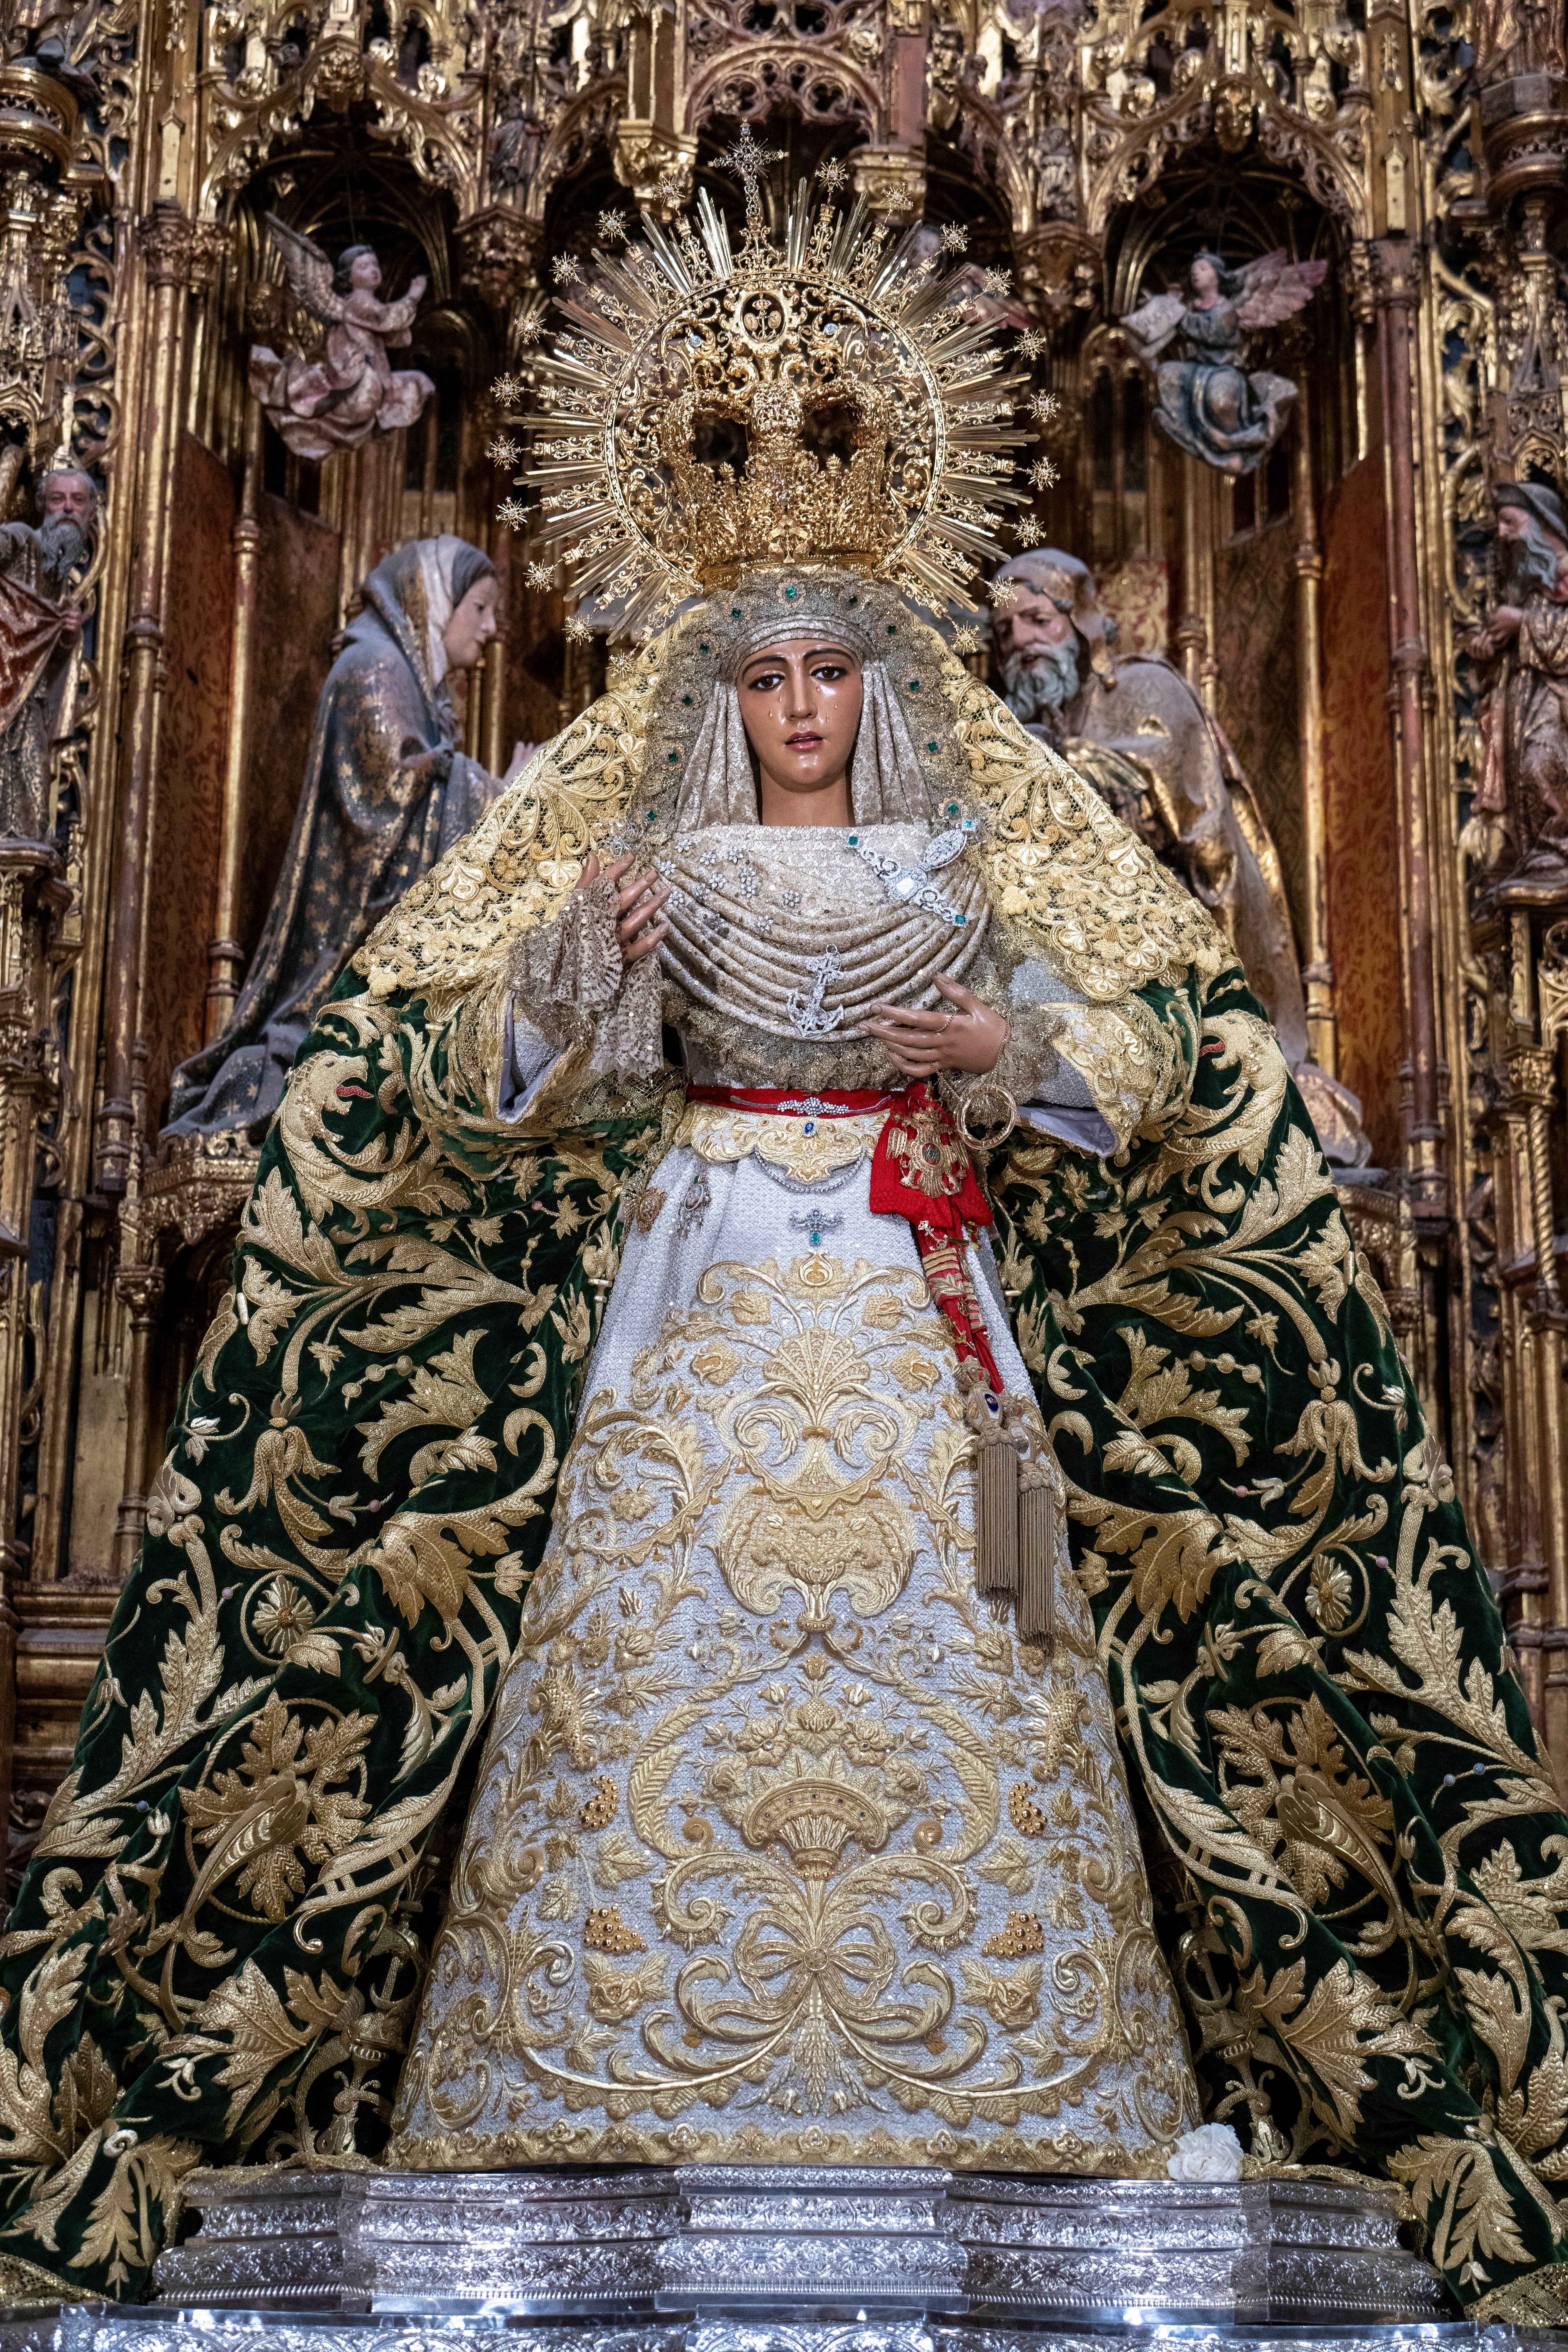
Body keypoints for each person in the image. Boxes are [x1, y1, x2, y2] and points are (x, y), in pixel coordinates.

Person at [2, 167, 1568, 2329]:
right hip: (709, 1270)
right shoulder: (610, 825)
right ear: (720, 684)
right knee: (660, 1611)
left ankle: (1016, 2057)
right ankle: (602, 2050)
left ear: (878, 675)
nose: (808, 703)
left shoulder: (980, 826)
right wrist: (582, 969)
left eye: (838, 667)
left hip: (924, 1289)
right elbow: (446, 1069)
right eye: (774, 673)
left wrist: (1015, 1044)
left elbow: (1164, 1025)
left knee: (990, 1628)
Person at [165, 535, 530, 1142]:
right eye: (480, 607)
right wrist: (503, 797)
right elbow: (393, 795)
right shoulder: (373, 670)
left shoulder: (408, 680)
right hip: (350, 933)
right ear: (433, 601)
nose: (492, 628)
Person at [0, 467, 96, 843]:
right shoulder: (21, 542)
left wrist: (68, 639)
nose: (68, 510)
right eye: (58, 500)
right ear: (43, 507)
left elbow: (49, 667)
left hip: (32, 704)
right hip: (6, 689)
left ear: (90, 512)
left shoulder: (60, 584)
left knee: (30, 795)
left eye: (78, 501)